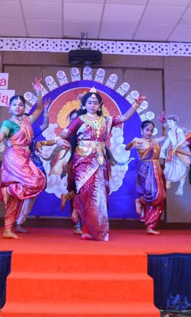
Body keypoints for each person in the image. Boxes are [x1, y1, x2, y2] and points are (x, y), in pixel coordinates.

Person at [56, 88, 145, 241]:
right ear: (84, 105)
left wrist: (136, 105)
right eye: (90, 102)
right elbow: (64, 133)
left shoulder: (106, 121)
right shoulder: (79, 120)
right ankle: (82, 218)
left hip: (99, 160)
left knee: (98, 195)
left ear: (99, 105)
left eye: (95, 103)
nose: (92, 105)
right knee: (84, 191)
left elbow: (124, 117)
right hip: (82, 160)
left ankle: (91, 230)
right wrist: (59, 140)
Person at [0, 78, 46, 239]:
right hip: (14, 157)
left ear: (24, 107)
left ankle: (8, 225)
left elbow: (39, 108)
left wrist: (38, 91)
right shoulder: (8, 123)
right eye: (14, 104)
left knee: (35, 182)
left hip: (26, 157)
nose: (18, 107)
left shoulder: (27, 119)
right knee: (23, 188)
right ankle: (7, 228)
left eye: (21, 104)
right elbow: (1, 136)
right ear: (9, 107)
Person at [15, 100, 53, 234]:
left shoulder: (32, 133)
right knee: (18, 193)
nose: (25, 124)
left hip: (33, 164)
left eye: (28, 121)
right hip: (19, 164)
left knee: (31, 194)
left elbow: (45, 124)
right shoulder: (15, 134)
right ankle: (14, 221)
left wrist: (46, 109)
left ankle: (20, 221)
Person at [126, 120, 166, 235]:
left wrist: (163, 125)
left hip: (156, 169)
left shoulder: (154, 141)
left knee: (161, 197)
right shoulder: (138, 140)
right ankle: (140, 200)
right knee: (152, 195)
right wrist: (133, 142)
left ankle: (150, 226)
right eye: (147, 130)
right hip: (145, 170)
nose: (149, 132)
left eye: (151, 130)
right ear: (142, 130)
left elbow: (164, 136)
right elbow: (126, 148)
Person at [159, 115, 189, 196]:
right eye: (168, 122)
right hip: (172, 150)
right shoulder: (169, 132)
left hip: (180, 150)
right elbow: (168, 141)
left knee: (181, 168)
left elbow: (183, 139)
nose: (168, 123)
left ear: (175, 122)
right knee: (169, 167)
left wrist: (176, 147)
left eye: (170, 122)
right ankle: (168, 182)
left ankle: (181, 187)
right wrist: (163, 149)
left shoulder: (178, 130)